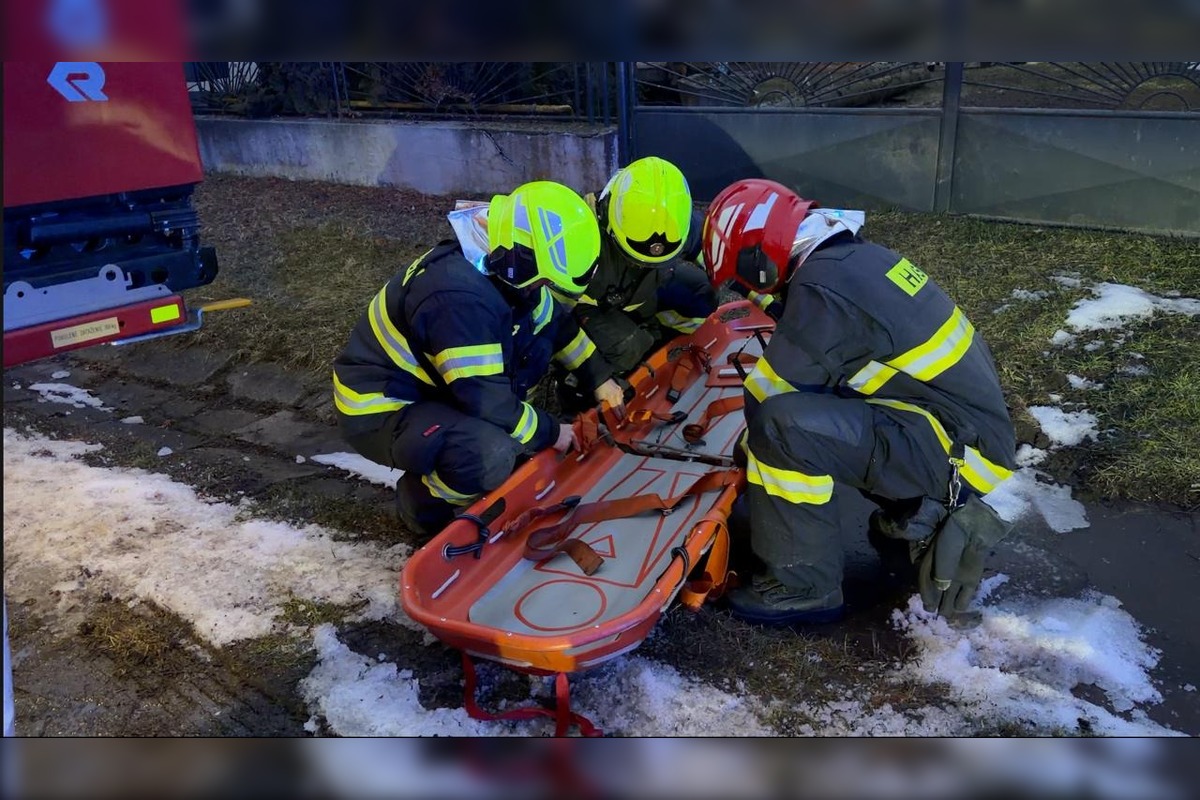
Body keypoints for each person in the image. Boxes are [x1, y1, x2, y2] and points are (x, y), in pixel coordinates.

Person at [700, 179, 1017, 625]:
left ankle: (802, 587)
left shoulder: (823, 290)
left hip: (954, 454)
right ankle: (914, 514)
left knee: (781, 427)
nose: (747, 285)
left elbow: (768, 397)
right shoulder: (850, 261)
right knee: (820, 411)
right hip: (961, 438)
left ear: (759, 258)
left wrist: (747, 467)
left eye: (741, 275)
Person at [332, 181, 625, 537]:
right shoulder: (458, 297)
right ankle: (423, 502)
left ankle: (463, 457)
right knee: (490, 454)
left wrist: (600, 378)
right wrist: (551, 433)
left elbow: (556, 323)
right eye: (543, 283)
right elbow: (486, 399)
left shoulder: (509, 266)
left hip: (438, 388)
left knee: (511, 432)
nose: (543, 292)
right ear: (522, 261)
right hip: (381, 406)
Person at [553, 157, 717, 411]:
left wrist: (766, 300)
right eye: (633, 258)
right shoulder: (578, 235)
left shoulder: (669, 218)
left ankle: (656, 348)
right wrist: (596, 376)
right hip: (585, 308)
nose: (642, 263)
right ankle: (575, 389)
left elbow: (715, 254)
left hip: (639, 294)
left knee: (700, 294)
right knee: (629, 345)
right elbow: (552, 317)